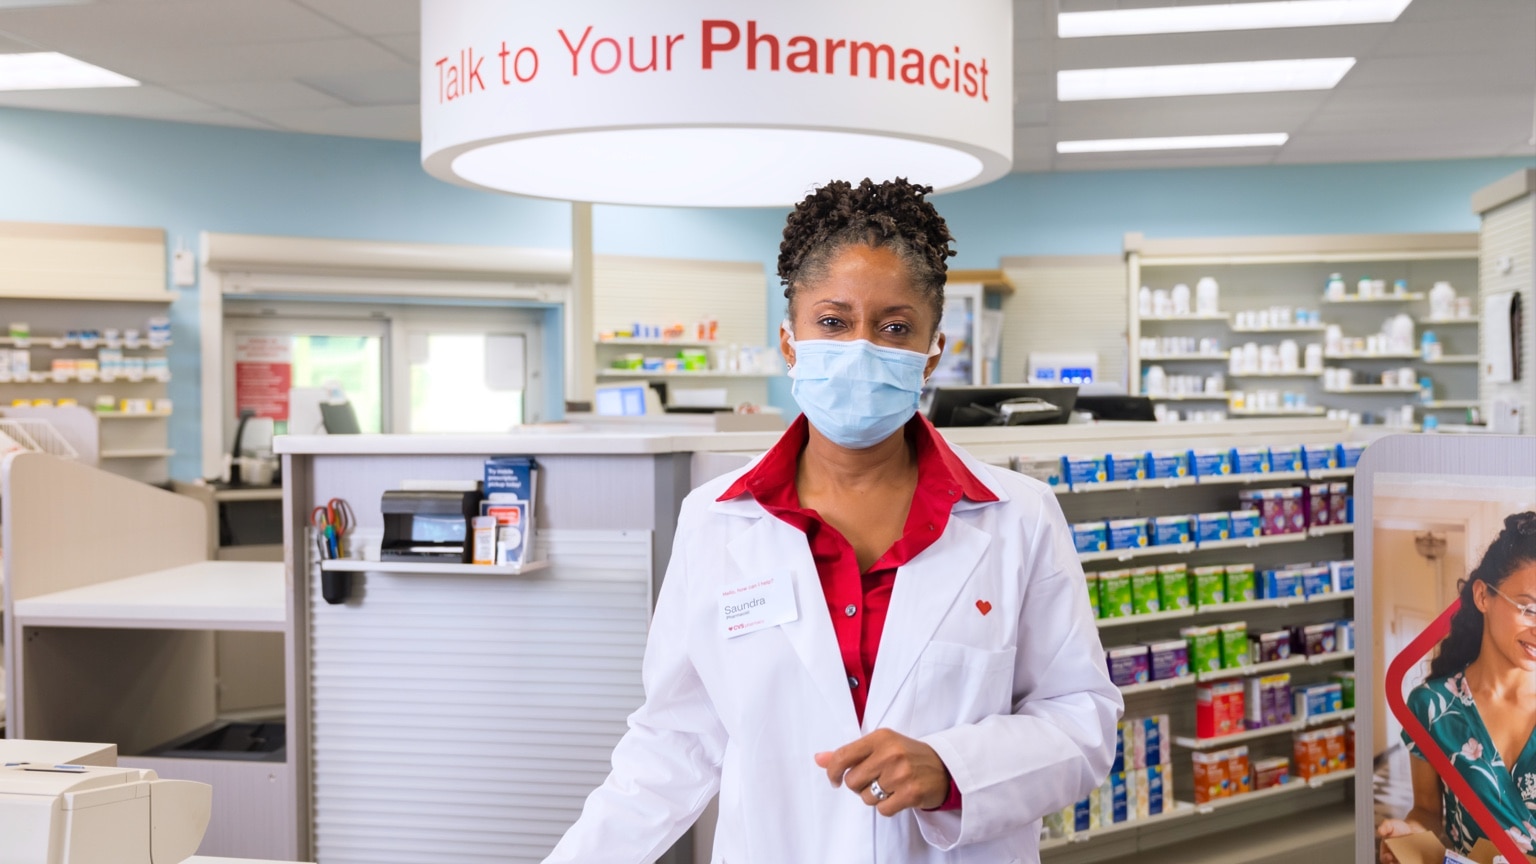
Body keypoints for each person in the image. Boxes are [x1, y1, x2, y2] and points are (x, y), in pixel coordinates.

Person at [543, 178, 1122, 864]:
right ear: (791, 342)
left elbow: (1082, 720)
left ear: (932, 352)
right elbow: (676, 741)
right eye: (833, 321)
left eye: (895, 327)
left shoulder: (1019, 517)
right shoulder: (717, 522)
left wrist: (954, 768)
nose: (861, 347)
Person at [1378, 511, 1536, 863]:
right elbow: (1428, 812)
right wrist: (1411, 833)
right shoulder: (1432, 707)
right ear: (1483, 596)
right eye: (1528, 608)